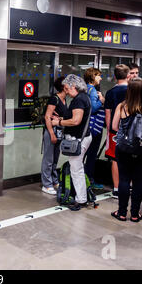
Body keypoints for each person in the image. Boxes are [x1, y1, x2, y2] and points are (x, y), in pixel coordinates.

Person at [111, 77, 142, 222]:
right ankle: (135, 214)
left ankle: (122, 213)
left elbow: (114, 126)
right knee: (138, 181)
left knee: (124, 179)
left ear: (129, 90)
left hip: (124, 149)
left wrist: (125, 134)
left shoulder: (122, 107)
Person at [52, 74, 91, 211]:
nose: (66, 92)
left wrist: (59, 122)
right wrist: (63, 117)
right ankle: (82, 196)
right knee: (77, 168)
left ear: (73, 86)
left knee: (76, 169)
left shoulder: (79, 100)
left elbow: (76, 121)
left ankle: (81, 200)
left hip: (78, 139)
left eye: (67, 89)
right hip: (83, 137)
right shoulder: (83, 97)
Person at [104, 64, 130, 198]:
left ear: (115, 76)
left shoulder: (110, 92)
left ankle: (116, 188)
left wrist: (109, 130)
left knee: (115, 159)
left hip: (115, 130)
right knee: (130, 158)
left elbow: (107, 114)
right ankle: (128, 185)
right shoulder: (133, 91)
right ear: (128, 75)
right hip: (132, 130)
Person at [41, 77, 67, 195]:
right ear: (63, 86)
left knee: (55, 158)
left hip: (60, 131)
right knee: (48, 159)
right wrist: (51, 133)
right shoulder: (54, 99)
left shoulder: (64, 99)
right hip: (51, 131)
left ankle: (54, 180)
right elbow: (47, 117)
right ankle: (46, 184)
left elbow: (62, 116)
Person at [84, 68, 105, 190]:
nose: (100, 78)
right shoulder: (92, 90)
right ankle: (90, 180)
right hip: (94, 127)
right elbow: (93, 108)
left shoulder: (85, 88)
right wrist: (102, 101)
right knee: (91, 155)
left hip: (88, 126)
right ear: (93, 76)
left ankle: (86, 179)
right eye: (98, 76)